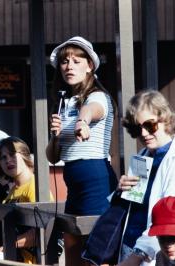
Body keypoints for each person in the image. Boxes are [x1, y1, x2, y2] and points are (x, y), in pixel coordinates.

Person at [45, 36, 116, 265]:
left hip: (95, 179)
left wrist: (82, 122)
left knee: (96, 251)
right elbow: (53, 157)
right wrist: (55, 136)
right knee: (72, 247)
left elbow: (91, 110)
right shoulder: (64, 102)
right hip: (73, 182)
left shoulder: (98, 96)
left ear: (90, 66)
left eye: (76, 61)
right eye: (65, 61)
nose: (69, 66)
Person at [118, 90, 175, 265]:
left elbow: (171, 220)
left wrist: (136, 256)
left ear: (165, 120)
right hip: (130, 247)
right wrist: (120, 192)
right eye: (136, 127)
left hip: (152, 254)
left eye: (150, 125)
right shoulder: (143, 156)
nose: (143, 133)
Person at [0, 137, 53, 262]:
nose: (8, 160)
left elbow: (42, 232)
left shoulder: (35, 186)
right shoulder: (11, 192)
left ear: (25, 155)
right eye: (3, 157)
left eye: (12, 154)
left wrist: (3, 247)